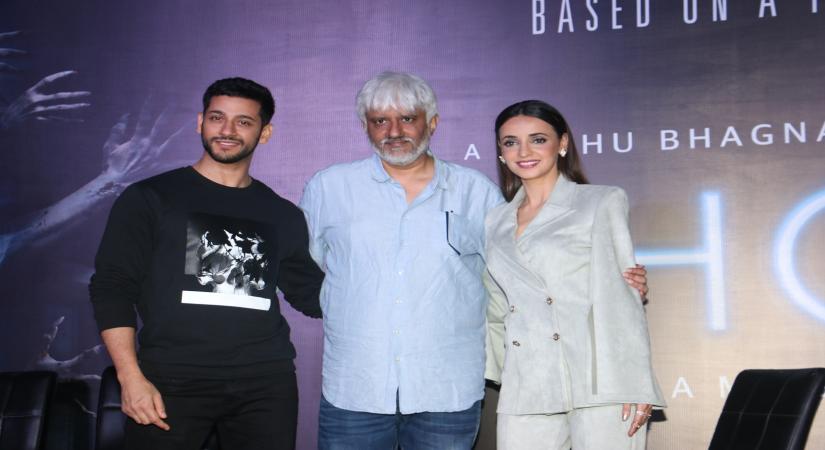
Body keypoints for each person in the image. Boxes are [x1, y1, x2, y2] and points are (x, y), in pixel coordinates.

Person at [299, 72, 650, 449]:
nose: (394, 131)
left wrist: (620, 281)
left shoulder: (479, 195)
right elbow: (308, 269)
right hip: (355, 388)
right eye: (380, 120)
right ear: (365, 127)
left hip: (447, 391)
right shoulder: (328, 188)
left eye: (408, 118)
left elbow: (522, 271)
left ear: (432, 123)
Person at [89, 77, 324, 450]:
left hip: (265, 384)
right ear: (200, 122)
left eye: (244, 122)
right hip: (170, 381)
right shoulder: (151, 198)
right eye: (217, 118)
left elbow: (313, 295)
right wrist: (130, 376)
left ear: (264, 133)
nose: (227, 130)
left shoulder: (282, 214)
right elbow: (112, 287)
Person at [484, 100, 666, 450]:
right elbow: (496, 304)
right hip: (527, 380)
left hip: (600, 379)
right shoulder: (495, 220)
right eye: (510, 142)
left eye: (538, 139)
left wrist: (636, 382)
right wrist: (503, 367)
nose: (523, 151)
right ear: (501, 151)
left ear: (562, 143)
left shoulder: (601, 202)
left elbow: (621, 297)